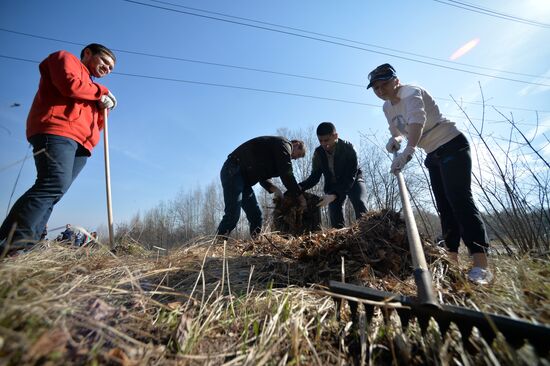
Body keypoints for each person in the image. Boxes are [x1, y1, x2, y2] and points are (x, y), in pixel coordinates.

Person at [366, 63, 493, 285]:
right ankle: (452, 261)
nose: (380, 90)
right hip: (433, 153)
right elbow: (397, 131)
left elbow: (417, 122)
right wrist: (395, 140)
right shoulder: (387, 107)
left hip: (451, 144)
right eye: (375, 87)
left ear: (396, 80)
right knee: (444, 206)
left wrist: (409, 150)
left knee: (459, 200)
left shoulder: (411, 92)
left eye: (383, 84)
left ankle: (481, 264)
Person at [0, 44, 117, 253]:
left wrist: (103, 108)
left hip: (82, 145)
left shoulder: (91, 89)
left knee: (55, 192)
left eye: (110, 68)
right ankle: (13, 245)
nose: (107, 69)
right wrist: (102, 92)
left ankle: (30, 244)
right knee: (52, 183)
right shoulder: (65, 59)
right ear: (88, 53)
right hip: (57, 131)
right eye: (105, 62)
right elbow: (69, 85)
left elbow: (98, 124)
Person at [216, 136, 307, 238]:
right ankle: (217, 245)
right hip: (234, 169)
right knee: (232, 214)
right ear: (296, 144)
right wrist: (300, 197)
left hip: (245, 182)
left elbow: (263, 177)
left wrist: (275, 189)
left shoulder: (277, 155)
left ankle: (255, 245)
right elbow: (287, 173)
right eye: (297, 155)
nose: (293, 158)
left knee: (256, 216)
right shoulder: (284, 144)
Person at [299, 122, 368, 228]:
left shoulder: (349, 148)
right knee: (335, 214)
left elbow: (350, 176)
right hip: (333, 185)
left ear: (335, 136)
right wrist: (299, 187)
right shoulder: (318, 153)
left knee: (360, 204)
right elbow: (314, 177)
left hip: (353, 181)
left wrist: (334, 195)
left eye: (326, 140)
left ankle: (366, 234)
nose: (323, 144)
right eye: (320, 140)